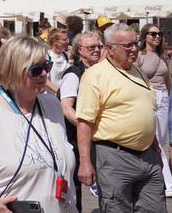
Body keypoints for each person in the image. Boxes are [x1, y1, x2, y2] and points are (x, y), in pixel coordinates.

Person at [0, 36, 77, 212]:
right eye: (36, 70)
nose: (44, 74)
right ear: (14, 71)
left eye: (46, 67)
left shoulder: (52, 105)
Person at [76, 23, 166, 212]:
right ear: (109, 48)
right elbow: (84, 122)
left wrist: (156, 148)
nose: (134, 49)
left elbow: (147, 111)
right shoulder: (95, 76)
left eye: (135, 43)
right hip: (115, 157)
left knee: (155, 207)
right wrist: (85, 162)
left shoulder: (138, 71)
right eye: (127, 45)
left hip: (147, 156)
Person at [59, 31, 103, 211]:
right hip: (75, 139)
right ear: (80, 50)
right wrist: (84, 127)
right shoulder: (73, 74)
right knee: (74, 188)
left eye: (99, 47)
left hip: (96, 137)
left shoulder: (100, 72)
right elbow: (66, 107)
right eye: (91, 47)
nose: (97, 50)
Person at [137, 24, 172, 196]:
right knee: (156, 141)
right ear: (145, 36)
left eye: (159, 33)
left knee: (162, 140)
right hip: (147, 97)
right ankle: (167, 182)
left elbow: (167, 80)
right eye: (153, 34)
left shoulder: (163, 56)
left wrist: (166, 96)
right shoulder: (140, 56)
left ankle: (159, 180)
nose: (157, 37)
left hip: (163, 97)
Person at [46, 28, 73, 94]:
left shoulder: (66, 55)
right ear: (55, 41)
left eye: (68, 39)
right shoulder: (47, 56)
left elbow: (70, 75)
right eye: (64, 40)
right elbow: (45, 79)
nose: (68, 42)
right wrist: (59, 92)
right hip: (51, 97)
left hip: (64, 96)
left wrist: (71, 59)